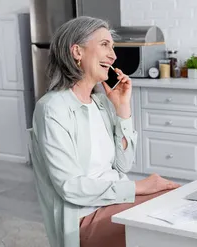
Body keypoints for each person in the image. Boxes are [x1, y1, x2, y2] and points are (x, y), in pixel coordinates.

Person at [29, 16, 180, 247]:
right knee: (171, 228)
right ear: (77, 52)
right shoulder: (52, 109)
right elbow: (70, 187)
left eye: (112, 46)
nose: (114, 55)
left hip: (115, 201)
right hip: (85, 217)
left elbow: (123, 166)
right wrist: (138, 187)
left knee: (179, 202)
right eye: (104, 45)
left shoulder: (99, 103)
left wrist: (122, 109)